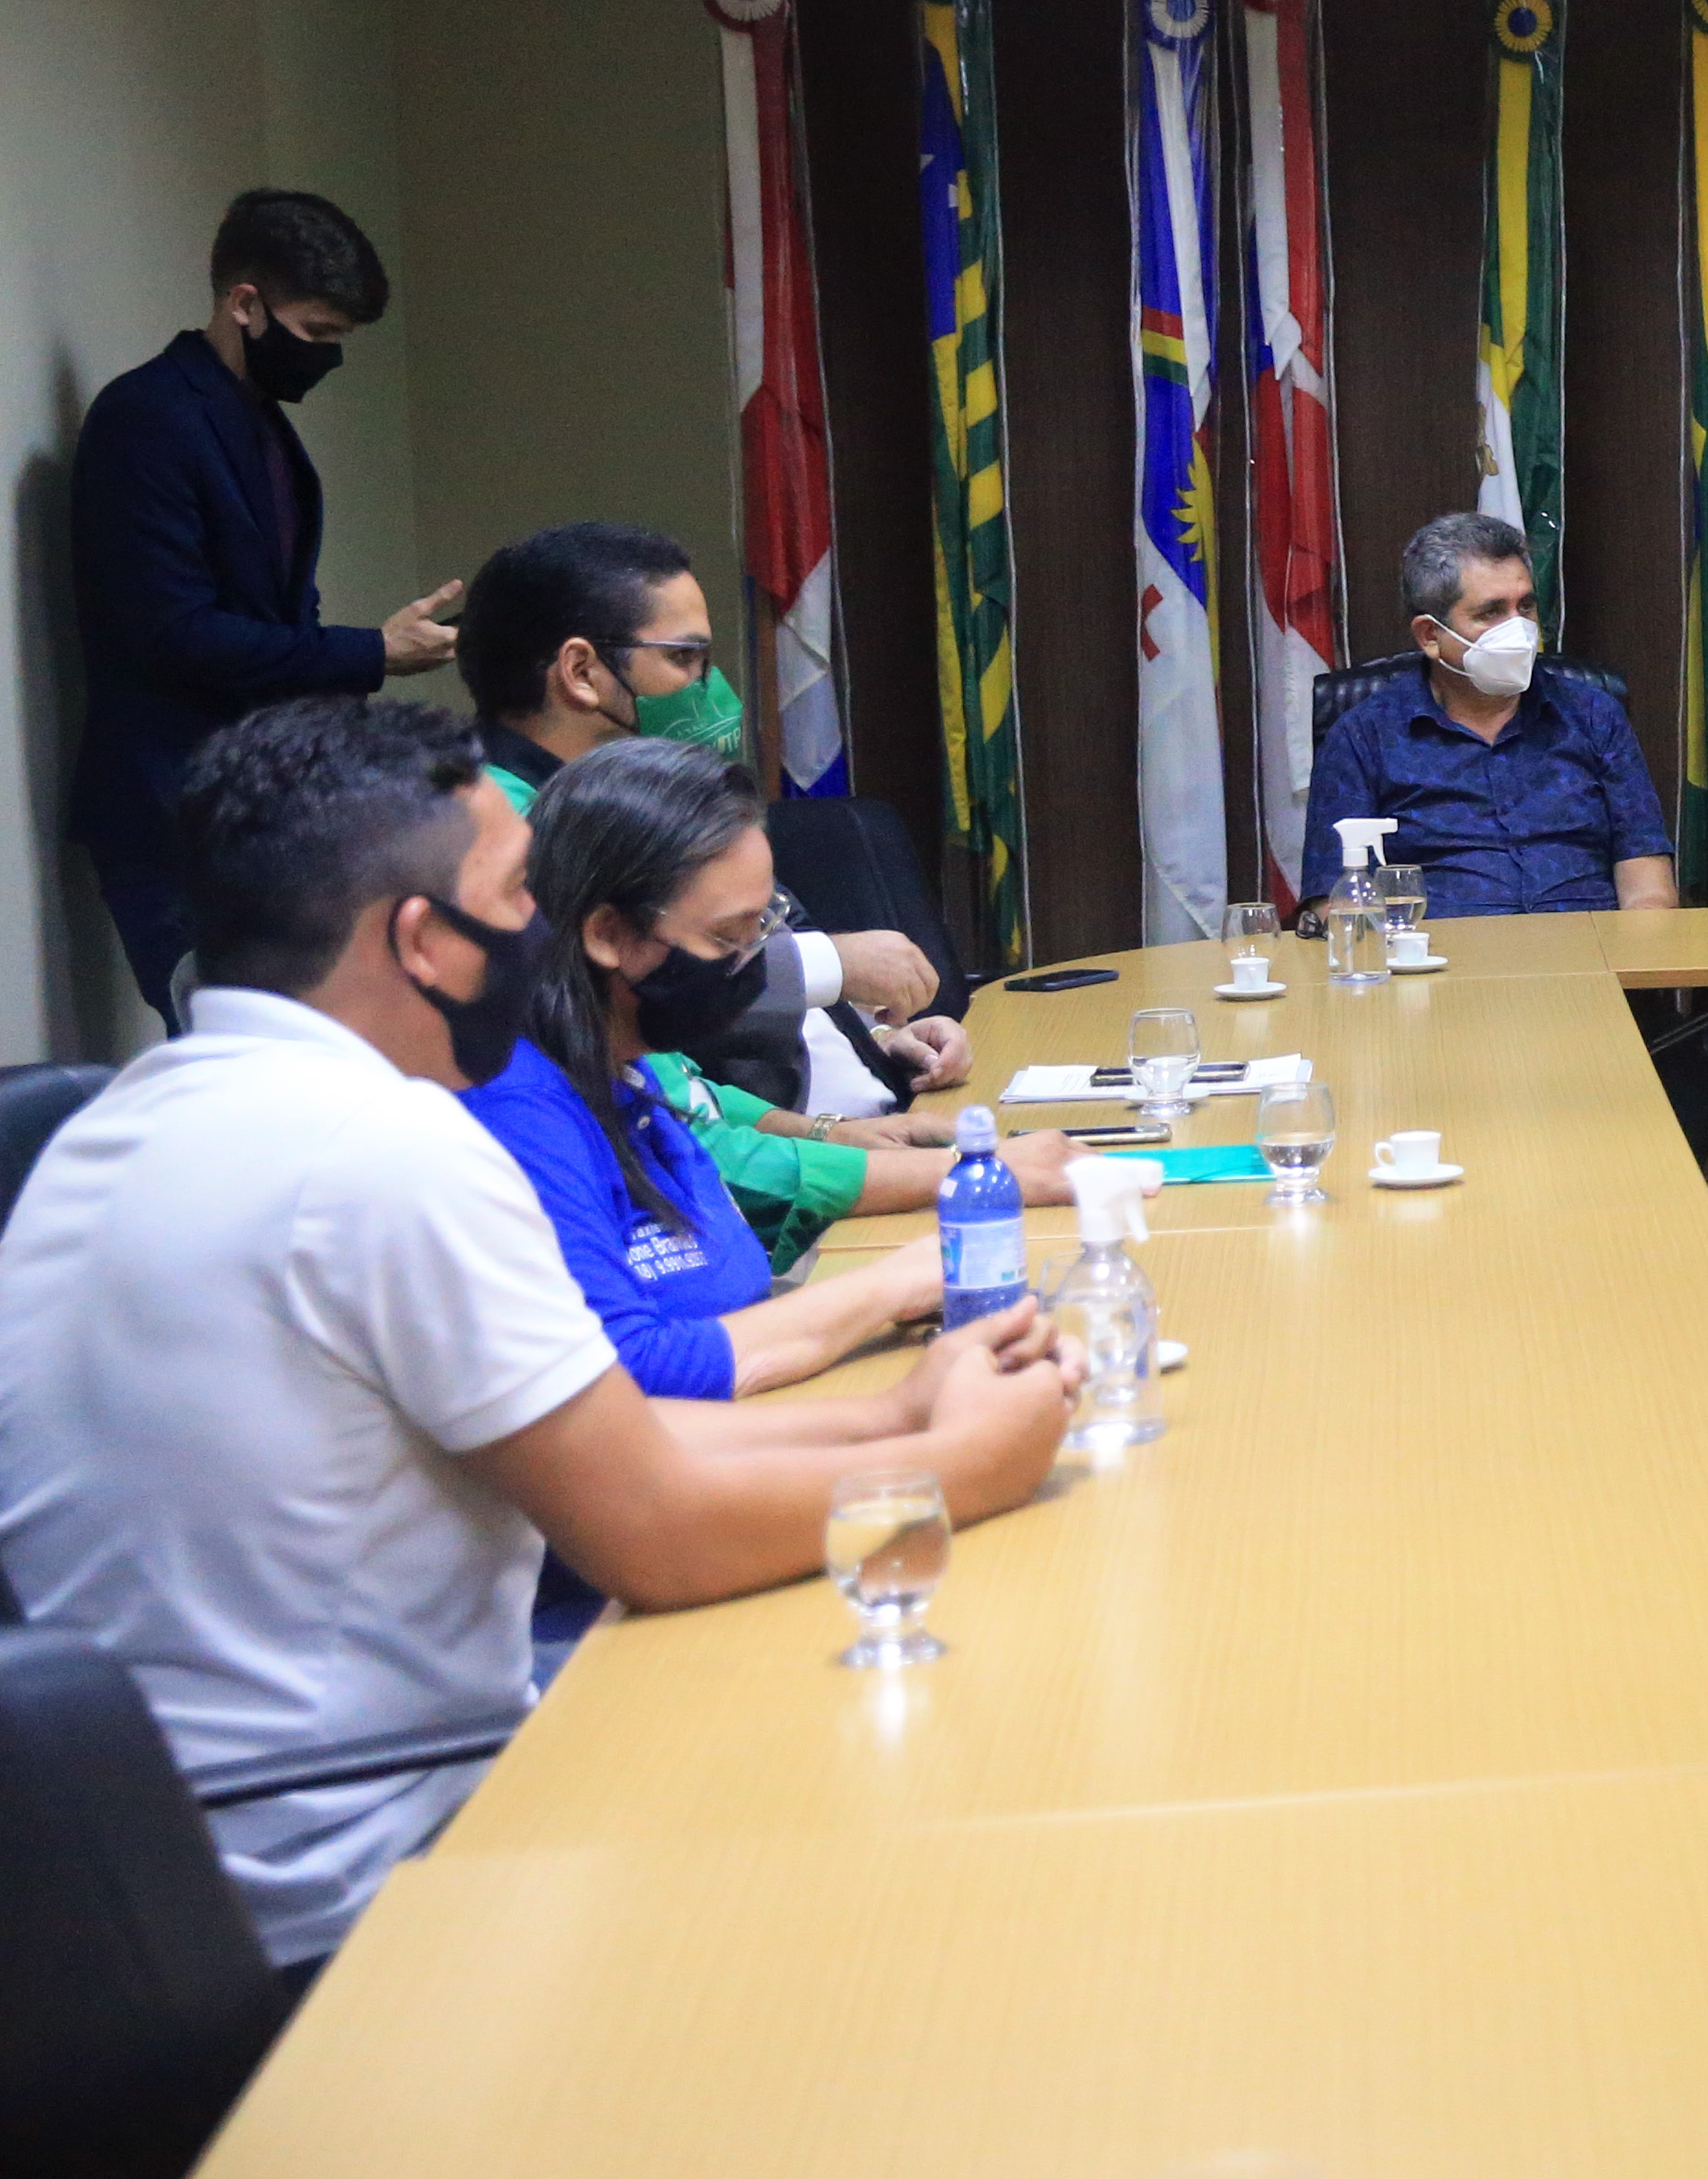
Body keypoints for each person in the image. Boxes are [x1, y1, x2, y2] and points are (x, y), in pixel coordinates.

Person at [0, 698, 1077, 1970]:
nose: (544, 932)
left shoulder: (120, 1131)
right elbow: (655, 1533)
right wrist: (964, 1467)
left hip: (177, 1885)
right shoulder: (383, 1151)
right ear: (422, 941)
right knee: (945, 1806)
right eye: (516, 896)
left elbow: (605, 1437)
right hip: (378, 1872)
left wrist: (896, 1413)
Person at [468, 738, 1073, 1398]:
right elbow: (622, 1378)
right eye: (728, 936)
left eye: (764, 928)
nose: (753, 964)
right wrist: (887, 1299)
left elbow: (734, 1297)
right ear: (609, 934)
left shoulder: (633, 1076)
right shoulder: (520, 1109)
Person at [65, 187, 462, 1025]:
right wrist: (371, 653)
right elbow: (174, 633)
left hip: (259, 809)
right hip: (172, 809)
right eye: (317, 333)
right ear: (244, 304)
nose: (328, 357)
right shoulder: (148, 418)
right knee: (236, 1044)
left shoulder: (264, 427)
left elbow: (277, 622)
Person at [458, 522, 956, 1116]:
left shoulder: (664, 799)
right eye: (682, 658)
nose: (710, 687)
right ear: (582, 673)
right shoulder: (495, 831)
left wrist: (878, 1038)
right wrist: (832, 965)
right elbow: (618, 1010)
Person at [1297, 509, 1708, 1155]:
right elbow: (1333, 906)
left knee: (1676, 1115)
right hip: (1438, 1007)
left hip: (1597, 997)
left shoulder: (1591, 716)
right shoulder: (1365, 735)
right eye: (1490, 612)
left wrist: (1612, 977)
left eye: (1526, 606)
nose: (1519, 628)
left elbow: (1649, 888)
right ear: (1430, 635)